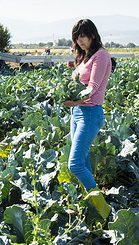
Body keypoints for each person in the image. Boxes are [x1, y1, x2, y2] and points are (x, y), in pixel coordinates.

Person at [63, 19, 112, 221]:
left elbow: (92, 86)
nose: (80, 40)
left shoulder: (101, 55)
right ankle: (91, 206)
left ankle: (104, 211)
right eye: (77, 37)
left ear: (92, 35)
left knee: (74, 165)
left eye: (83, 36)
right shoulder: (84, 57)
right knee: (83, 161)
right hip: (77, 113)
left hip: (90, 114)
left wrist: (75, 101)